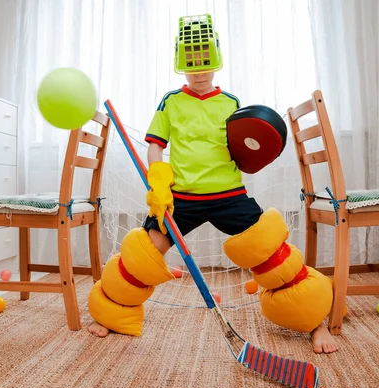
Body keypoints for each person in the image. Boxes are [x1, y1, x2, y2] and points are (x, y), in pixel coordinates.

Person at [87, 14, 339, 354]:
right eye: (191, 65)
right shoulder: (171, 101)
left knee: (275, 255)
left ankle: (315, 321)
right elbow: (155, 144)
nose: (200, 73)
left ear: (216, 62)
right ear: (181, 64)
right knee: (140, 257)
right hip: (180, 200)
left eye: (206, 64)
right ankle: (111, 313)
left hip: (230, 196)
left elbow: (245, 148)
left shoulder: (231, 103)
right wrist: (158, 180)